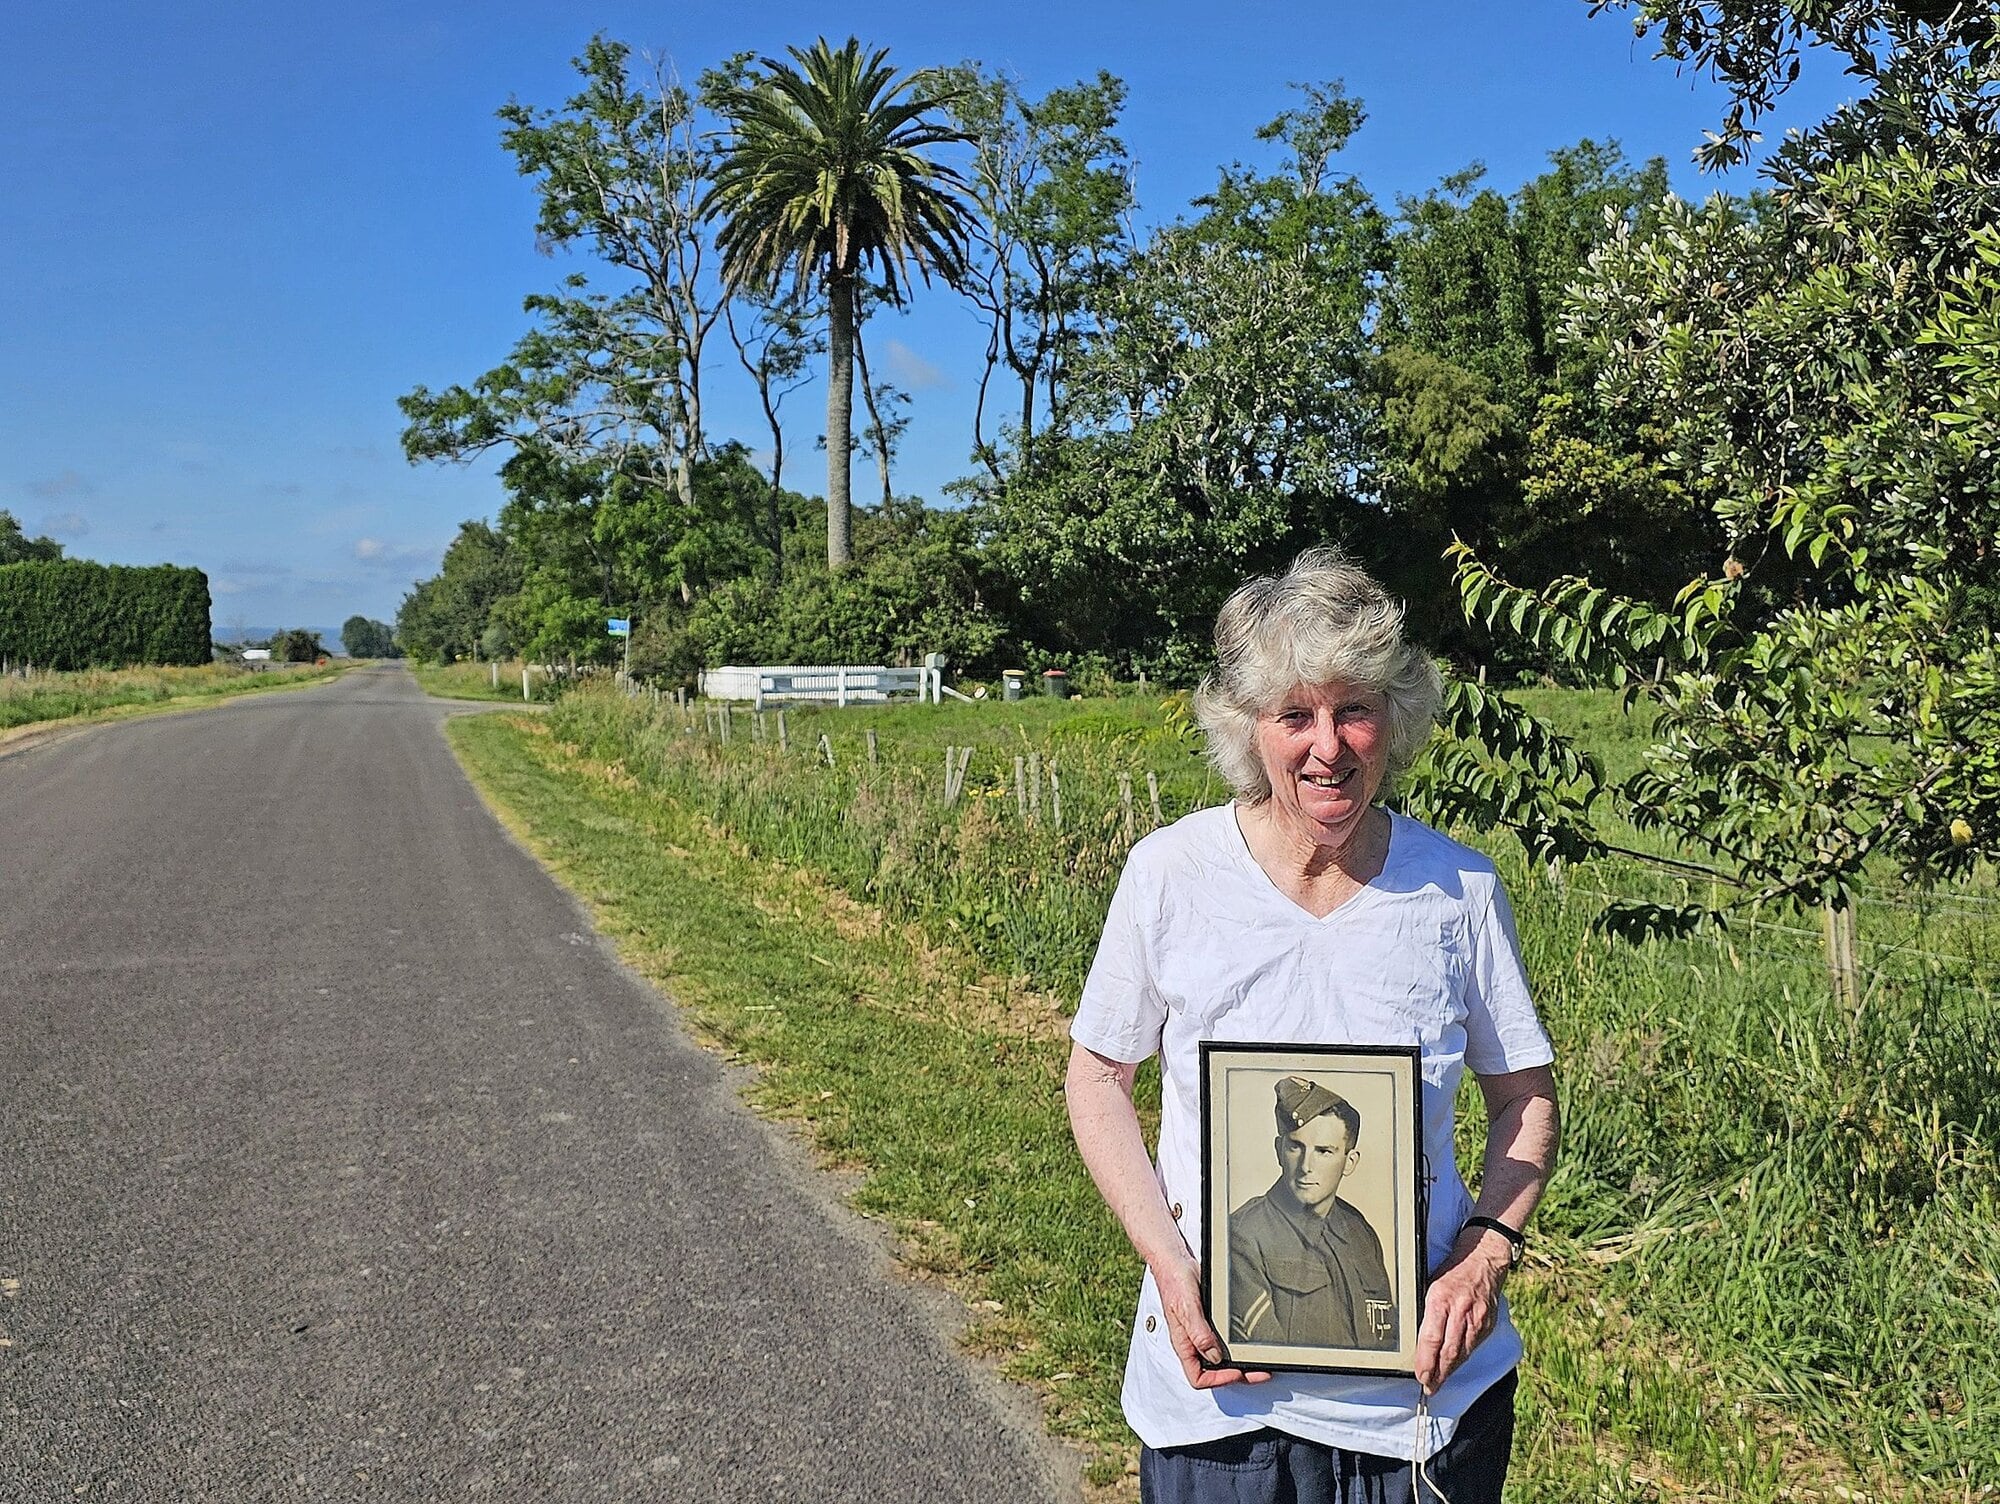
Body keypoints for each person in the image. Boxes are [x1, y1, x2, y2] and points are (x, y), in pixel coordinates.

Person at [1065, 548, 1559, 1504]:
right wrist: (1170, 1268)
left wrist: (1483, 1255)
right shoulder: (1170, 875)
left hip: (1423, 1416)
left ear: (1394, 720)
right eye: (1295, 714)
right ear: (1251, 729)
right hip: (1218, 1417)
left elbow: (1524, 1098)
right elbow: (1096, 1080)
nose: (1328, 745)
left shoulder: (1458, 889)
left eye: (1355, 710)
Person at [1228, 1078, 1395, 1351]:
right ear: (1279, 1151)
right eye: (1296, 1147)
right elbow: (1265, 1351)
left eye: (1323, 1151)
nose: (1306, 1166)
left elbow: (1388, 1339)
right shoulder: (1244, 1234)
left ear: (1349, 1162)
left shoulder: (1359, 1231)